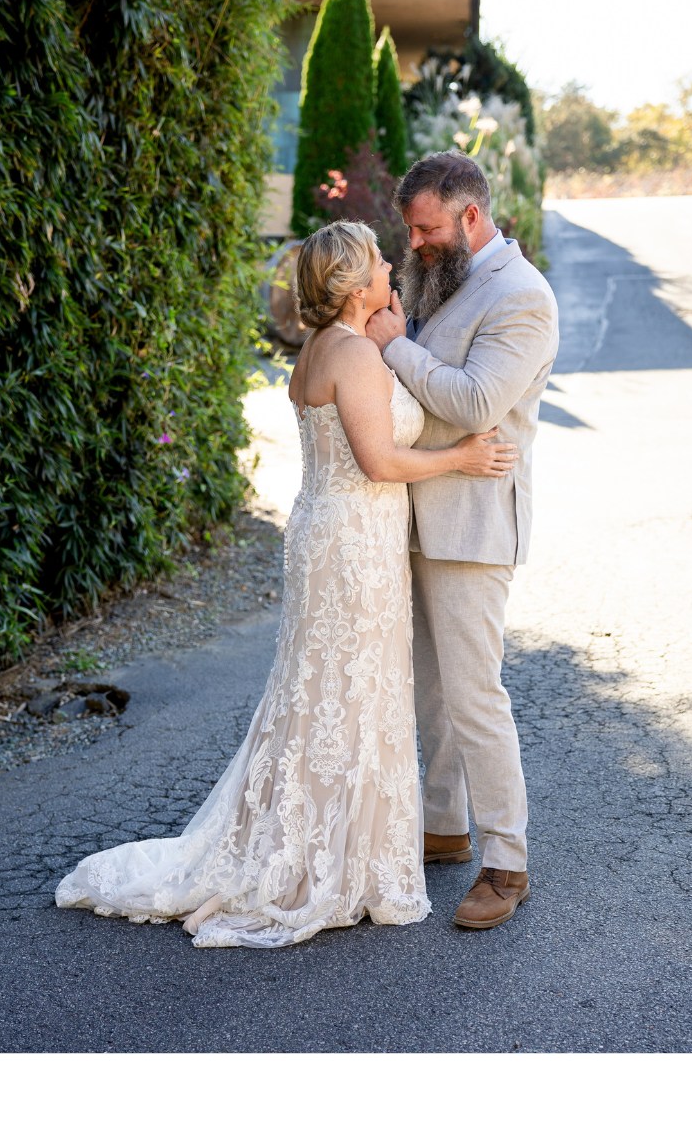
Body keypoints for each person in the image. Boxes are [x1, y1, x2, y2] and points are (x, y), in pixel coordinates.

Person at [55, 220, 517, 948]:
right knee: (349, 691)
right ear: (351, 283)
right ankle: (331, 856)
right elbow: (379, 462)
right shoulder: (353, 357)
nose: (390, 265)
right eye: (376, 261)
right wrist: (461, 455)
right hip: (351, 539)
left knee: (329, 691)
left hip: (332, 530)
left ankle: (331, 839)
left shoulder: (325, 349)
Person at [366, 150, 559, 930]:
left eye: (427, 228)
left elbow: (477, 399)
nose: (415, 243)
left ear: (471, 217)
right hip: (409, 515)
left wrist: (391, 346)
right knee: (431, 694)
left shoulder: (522, 298)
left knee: (477, 698)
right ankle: (444, 829)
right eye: (411, 229)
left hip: (475, 525)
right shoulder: (448, 278)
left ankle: (506, 862)